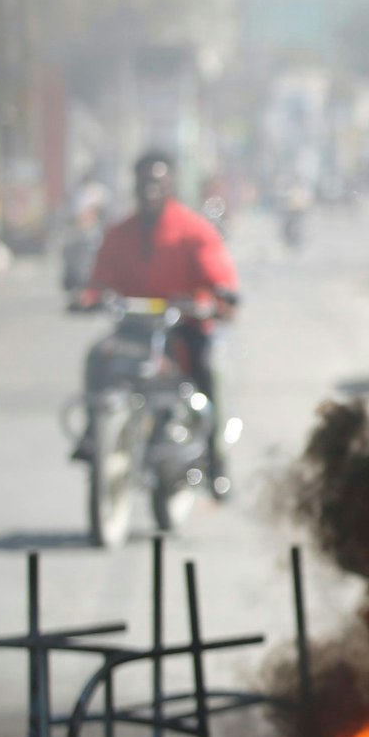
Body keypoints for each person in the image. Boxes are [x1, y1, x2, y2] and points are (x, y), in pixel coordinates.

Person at [76, 150, 240, 497]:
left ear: (171, 184)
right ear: (134, 184)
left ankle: (216, 461)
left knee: (208, 371)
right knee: (96, 357)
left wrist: (215, 301)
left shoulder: (194, 230)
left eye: (157, 180)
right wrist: (88, 297)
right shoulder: (120, 233)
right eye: (144, 180)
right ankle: (93, 436)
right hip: (134, 328)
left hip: (183, 328)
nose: (150, 187)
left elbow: (219, 277)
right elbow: (100, 279)